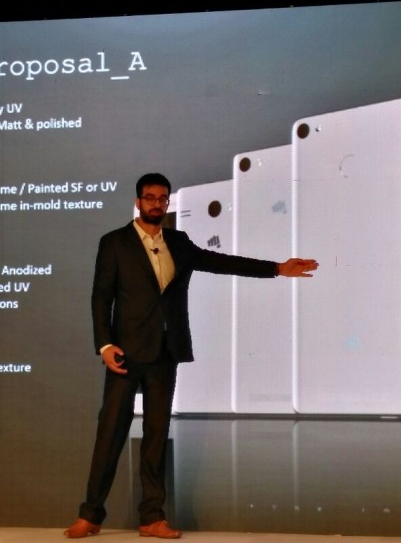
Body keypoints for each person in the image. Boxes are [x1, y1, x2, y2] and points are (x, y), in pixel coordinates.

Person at [64, 172, 318, 539]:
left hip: (165, 352)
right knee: (110, 434)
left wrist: (277, 269)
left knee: (156, 438)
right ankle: (90, 515)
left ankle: (152, 518)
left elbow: (220, 261)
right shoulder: (114, 242)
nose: (156, 203)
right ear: (138, 202)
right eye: (150, 197)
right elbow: (101, 297)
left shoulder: (178, 241)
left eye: (162, 198)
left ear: (167, 202)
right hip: (125, 354)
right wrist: (105, 345)